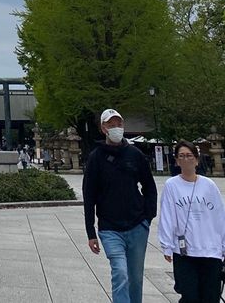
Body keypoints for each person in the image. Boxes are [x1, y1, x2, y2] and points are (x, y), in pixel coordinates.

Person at [83, 108, 158, 303]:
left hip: (137, 225)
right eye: (111, 124)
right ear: (103, 128)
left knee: (135, 278)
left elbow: (149, 186)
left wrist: (148, 217)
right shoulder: (96, 158)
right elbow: (89, 195)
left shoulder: (135, 154)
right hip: (109, 227)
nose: (116, 128)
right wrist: (90, 231)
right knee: (121, 274)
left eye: (119, 124)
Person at [158, 140, 225, 303]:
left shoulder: (209, 185)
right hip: (184, 251)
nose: (186, 159)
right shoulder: (171, 185)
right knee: (189, 296)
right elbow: (167, 216)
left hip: (210, 250)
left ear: (197, 159)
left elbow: (220, 216)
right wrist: (166, 245)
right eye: (181, 156)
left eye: (189, 155)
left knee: (210, 297)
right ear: (177, 161)